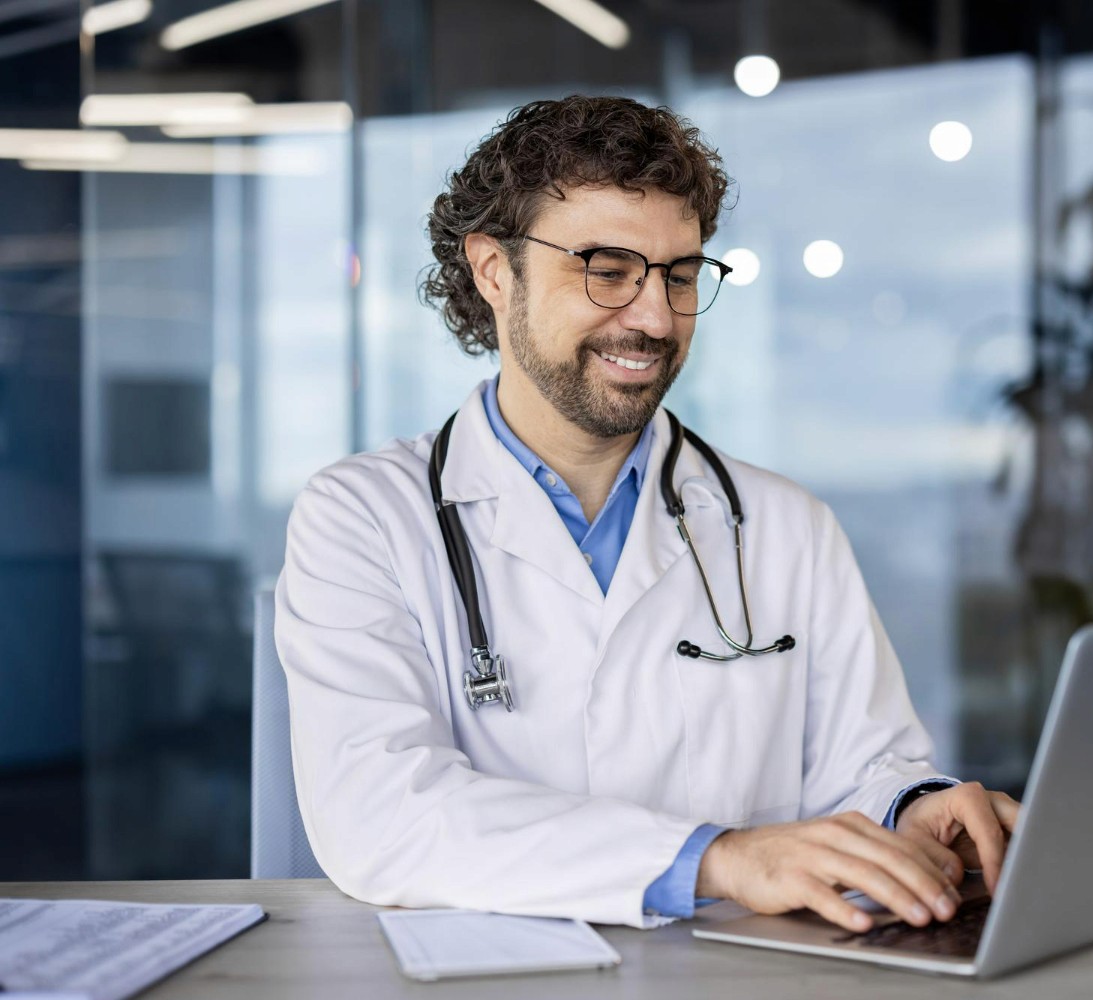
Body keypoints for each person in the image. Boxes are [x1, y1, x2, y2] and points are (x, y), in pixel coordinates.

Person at [275, 95, 1019, 932]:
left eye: (680, 273)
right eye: (607, 268)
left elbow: (866, 766)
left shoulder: (782, 524)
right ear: (493, 271)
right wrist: (718, 858)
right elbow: (380, 815)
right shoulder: (364, 519)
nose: (656, 316)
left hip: (742, 980)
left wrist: (909, 811)